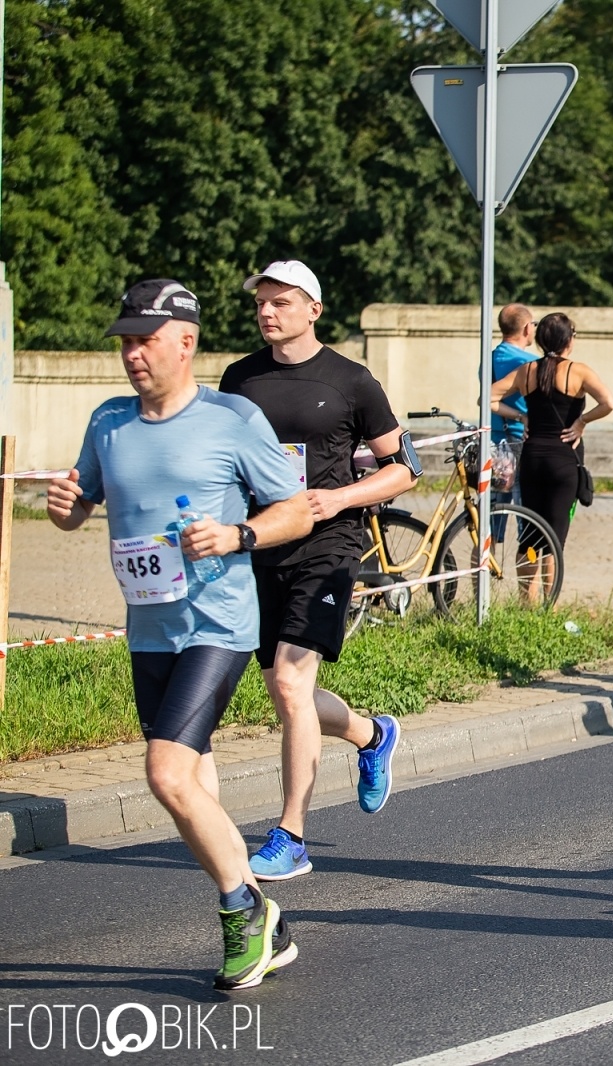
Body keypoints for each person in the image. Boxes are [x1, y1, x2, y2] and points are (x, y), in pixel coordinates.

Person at [49, 279, 312, 988]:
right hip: (149, 628)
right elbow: (80, 509)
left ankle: (241, 915)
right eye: (126, 341)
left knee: (165, 772)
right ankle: (272, 922)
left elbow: (297, 512)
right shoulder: (108, 422)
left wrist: (237, 532)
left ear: (185, 341)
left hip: (218, 624)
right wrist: (67, 507)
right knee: (193, 782)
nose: (132, 353)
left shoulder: (232, 419)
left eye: (146, 339)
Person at [221, 261, 418, 881]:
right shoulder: (239, 378)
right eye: (261, 303)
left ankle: (292, 836)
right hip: (262, 546)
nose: (266, 312)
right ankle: (370, 735)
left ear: (313, 309)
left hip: (329, 545)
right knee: (292, 693)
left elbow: (405, 468)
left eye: (280, 302)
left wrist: (340, 497)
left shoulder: (350, 381)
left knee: (287, 683)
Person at [491, 312, 613, 552]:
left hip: (532, 458)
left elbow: (487, 398)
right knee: (553, 541)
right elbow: (608, 403)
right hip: (564, 460)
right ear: (569, 340)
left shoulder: (526, 371)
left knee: (529, 538)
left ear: (539, 340)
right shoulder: (579, 371)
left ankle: (527, 591)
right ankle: (550, 590)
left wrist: (521, 416)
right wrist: (581, 421)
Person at [489, 303, 540, 516]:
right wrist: (522, 416)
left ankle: (484, 548)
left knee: (493, 510)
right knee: (524, 510)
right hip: (522, 439)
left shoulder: (488, 359)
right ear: (527, 328)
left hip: (495, 441)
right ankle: (524, 549)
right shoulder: (531, 363)